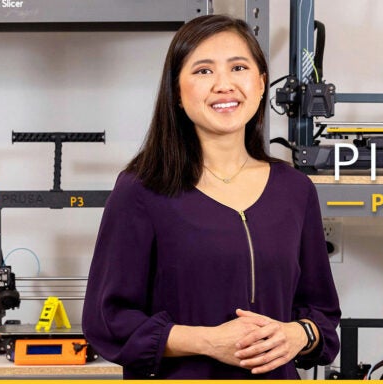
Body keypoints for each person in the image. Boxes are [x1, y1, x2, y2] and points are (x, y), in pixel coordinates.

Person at [82, 14, 341, 379]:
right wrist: (207, 341)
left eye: (238, 67)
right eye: (203, 71)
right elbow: (107, 322)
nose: (224, 84)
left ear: (262, 83)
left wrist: (298, 333)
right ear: (176, 92)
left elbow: (322, 313)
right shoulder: (142, 188)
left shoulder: (295, 191)